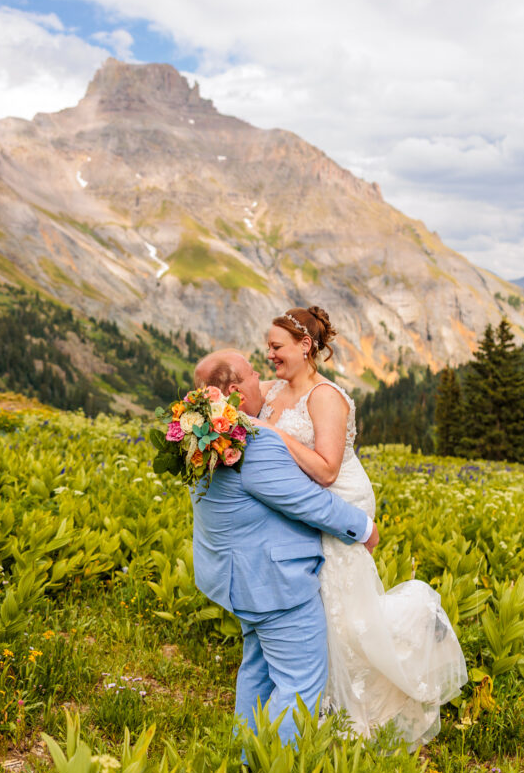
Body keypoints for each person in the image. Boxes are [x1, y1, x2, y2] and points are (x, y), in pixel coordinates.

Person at [256, 306, 467, 745]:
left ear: (305, 346)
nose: (270, 354)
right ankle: (319, 705)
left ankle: (355, 711)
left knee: (340, 607)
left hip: (336, 499)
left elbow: (328, 468)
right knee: (321, 603)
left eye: (277, 347)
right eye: (268, 347)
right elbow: (238, 391)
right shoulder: (276, 389)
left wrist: (276, 436)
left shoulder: (325, 396)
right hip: (306, 502)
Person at [190, 349, 379, 745]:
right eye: (253, 373)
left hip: (237, 577)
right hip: (273, 583)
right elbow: (305, 501)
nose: (263, 378)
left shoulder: (202, 437)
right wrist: (362, 527)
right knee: (300, 683)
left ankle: (245, 759)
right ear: (237, 390)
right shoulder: (252, 443)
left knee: (257, 671)